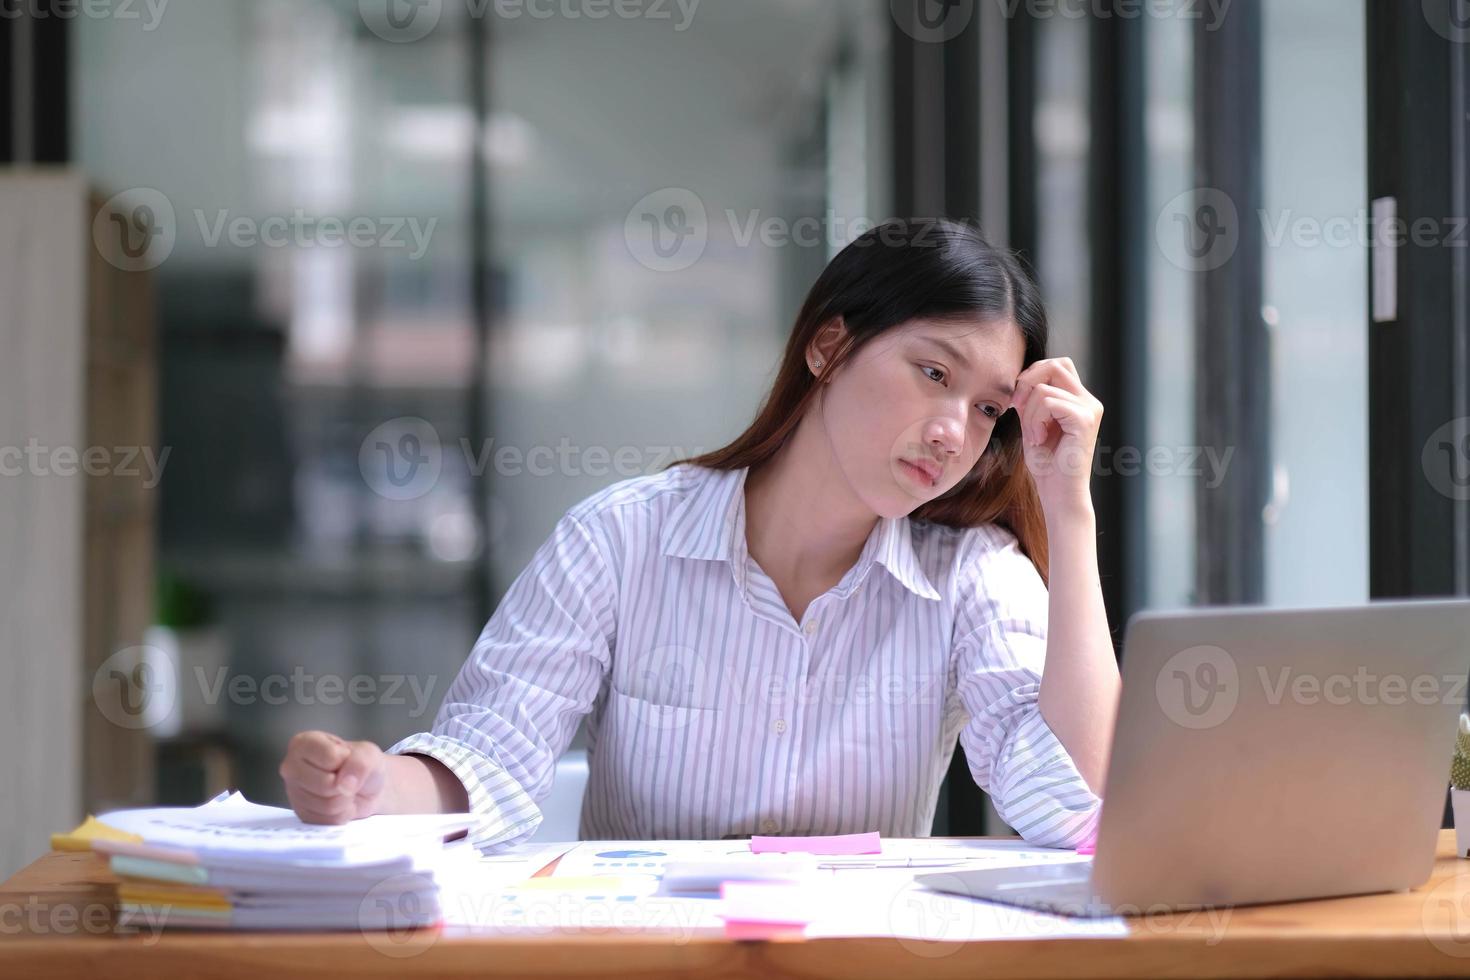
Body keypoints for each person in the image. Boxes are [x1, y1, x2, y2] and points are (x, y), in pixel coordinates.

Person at [279, 217, 1122, 849]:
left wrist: (1069, 511)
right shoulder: (621, 540)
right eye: (932, 373)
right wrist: (371, 785)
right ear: (828, 346)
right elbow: (489, 758)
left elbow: (1077, 803)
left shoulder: (974, 575)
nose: (952, 431)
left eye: (984, 409)